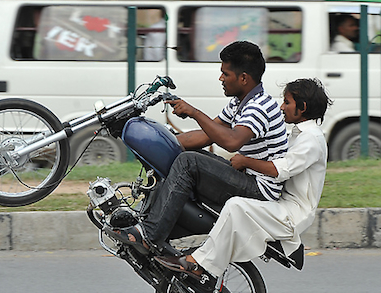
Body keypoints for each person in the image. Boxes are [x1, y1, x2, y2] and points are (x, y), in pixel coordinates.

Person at [105, 41, 288, 252]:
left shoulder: (260, 106)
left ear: (244, 78)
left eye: (225, 74)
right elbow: (206, 136)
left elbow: (231, 141)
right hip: (248, 178)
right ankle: (154, 224)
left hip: (260, 189)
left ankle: (149, 235)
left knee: (188, 162)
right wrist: (161, 145)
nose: (221, 78)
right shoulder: (240, 103)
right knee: (183, 155)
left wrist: (195, 112)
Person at [154, 78, 332, 279]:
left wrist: (246, 161)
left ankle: (197, 262)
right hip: (283, 203)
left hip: (292, 212)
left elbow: (279, 170)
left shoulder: (311, 139)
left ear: (302, 108)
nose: (282, 107)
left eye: (287, 103)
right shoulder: (300, 133)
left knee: (235, 206)